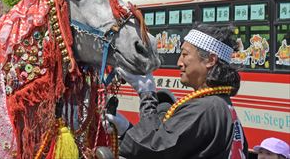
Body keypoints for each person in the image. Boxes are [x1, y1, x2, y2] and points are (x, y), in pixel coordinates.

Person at [107, 24, 249, 159]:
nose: (179, 62)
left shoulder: (205, 108)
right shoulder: (219, 104)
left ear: (210, 60)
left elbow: (154, 149)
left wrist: (147, 94)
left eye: (185, 54)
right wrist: (126, 129)